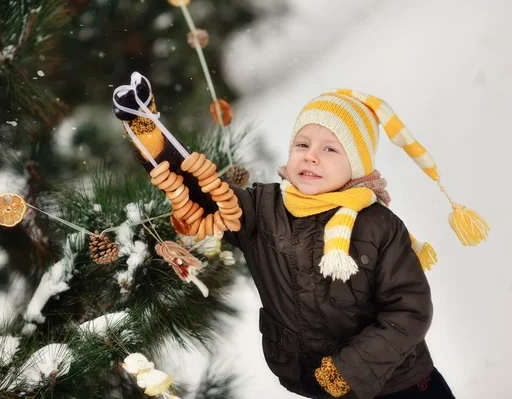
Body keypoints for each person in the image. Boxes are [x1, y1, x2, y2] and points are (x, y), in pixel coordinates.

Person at [113, 74, 488, 399]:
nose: (311, 157)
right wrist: (151, 137)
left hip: (400, 385)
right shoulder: (263, 208)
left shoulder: (377, 225)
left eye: (330, 149)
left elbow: (410, 311)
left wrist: (346, 369)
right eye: (302, 144)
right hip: (313, 381)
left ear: (356, 166)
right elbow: (203, 194)